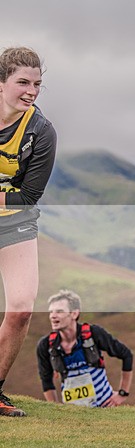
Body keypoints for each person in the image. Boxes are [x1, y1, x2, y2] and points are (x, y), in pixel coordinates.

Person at [0, 47, 57, 417]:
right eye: (23, 82)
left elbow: (28, 196)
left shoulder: (41, 131)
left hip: (14, 222)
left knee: (21, 310)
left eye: (37, 84)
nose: (31, 91)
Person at [36, 290, 134, 408]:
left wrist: (122, 393)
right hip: (73, 412)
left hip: (105, 407)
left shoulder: (94, 334)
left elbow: (127, 355)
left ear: (74, 314)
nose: (53, 316)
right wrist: (57, 410)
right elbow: (46, 380)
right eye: (51, 312)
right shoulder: (45, 345)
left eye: (59, 311)